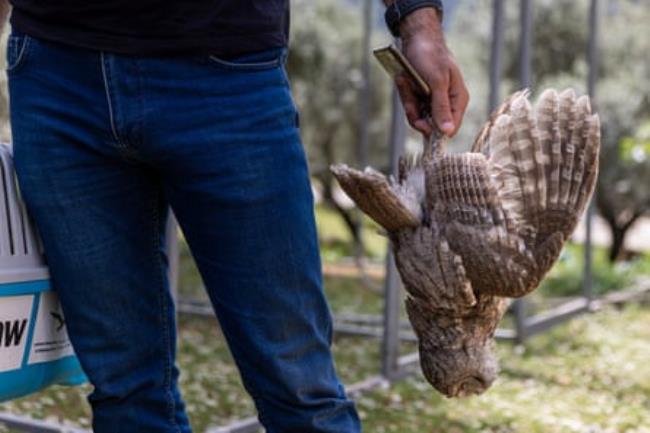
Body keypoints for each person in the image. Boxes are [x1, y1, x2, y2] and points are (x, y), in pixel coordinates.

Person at [1, 0, 467, 431]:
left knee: (298, 386)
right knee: (124, 388)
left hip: (228, 75)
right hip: (55, 74)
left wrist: (418, 22)